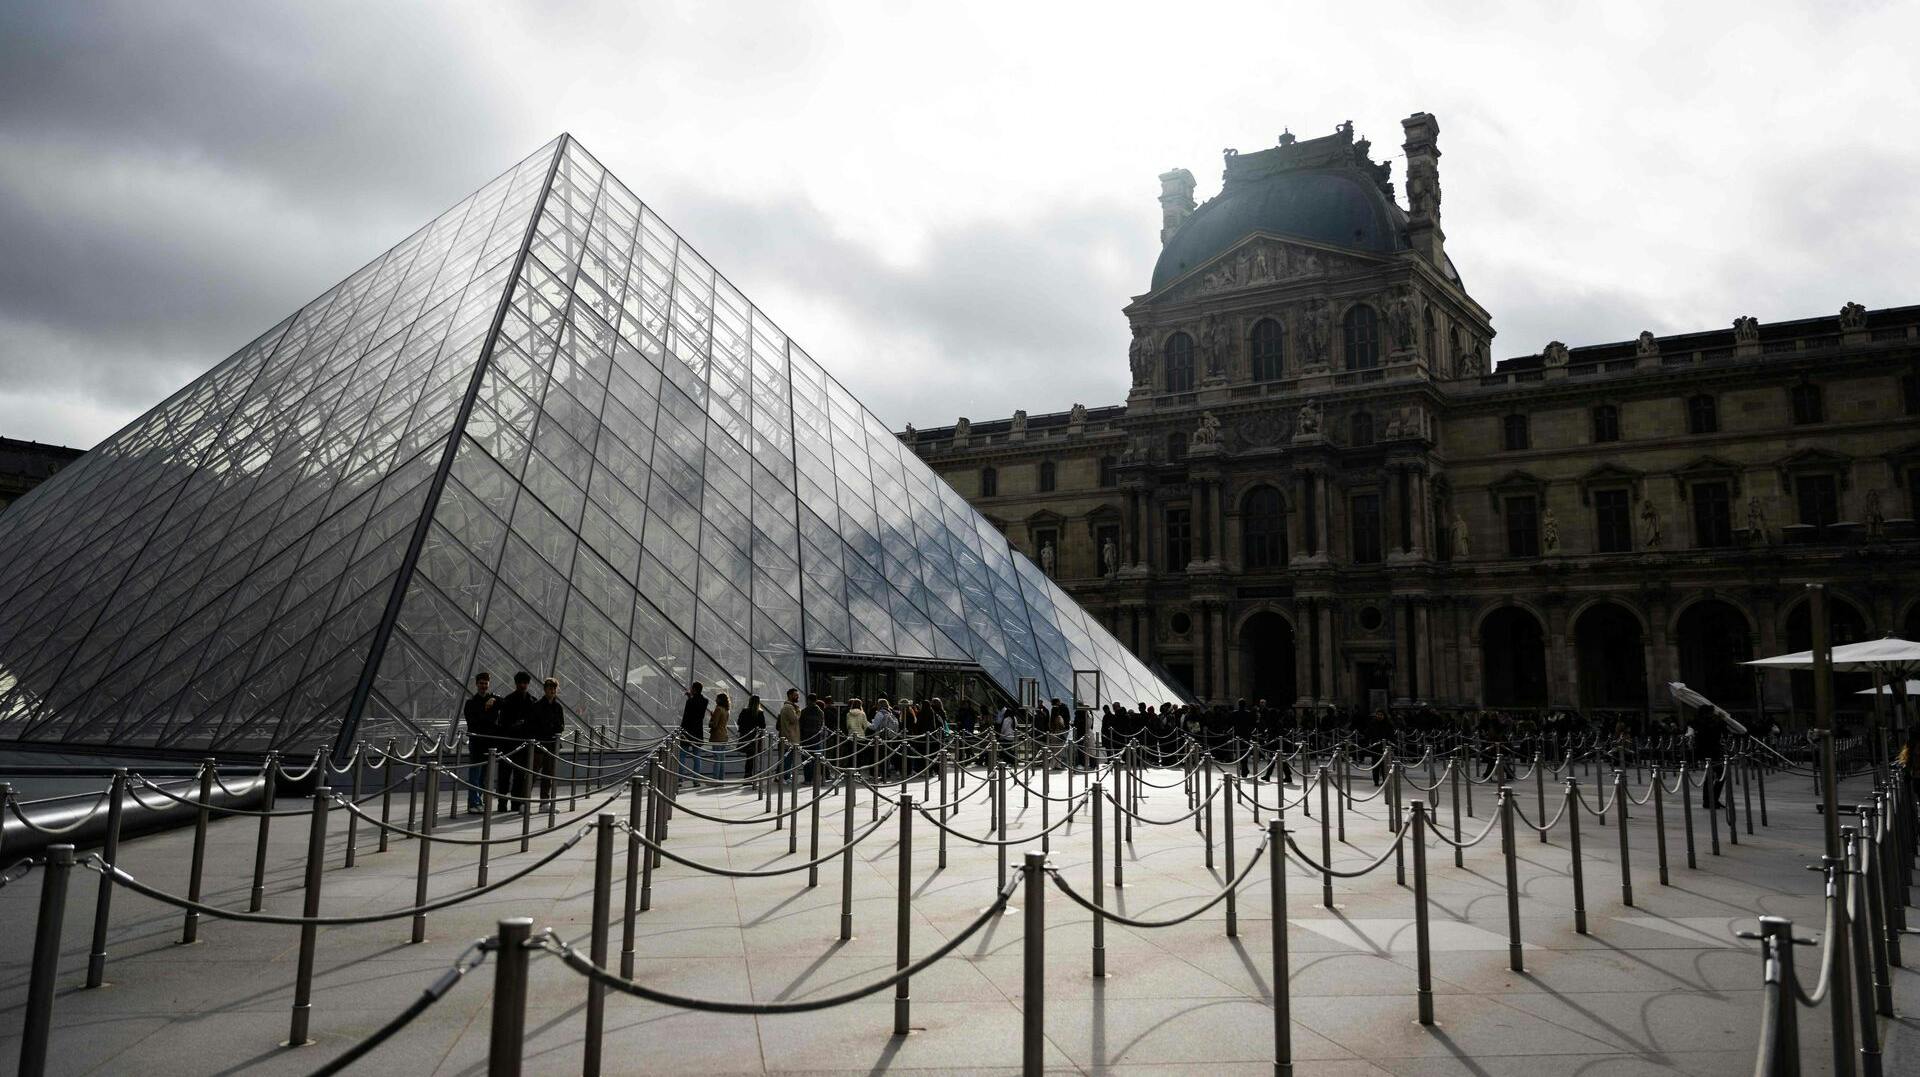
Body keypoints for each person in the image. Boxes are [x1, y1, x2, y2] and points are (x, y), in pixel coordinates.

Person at [494, 672, 537, 810]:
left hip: (515, 743)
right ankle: (505, 802)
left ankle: (512, 803)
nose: (523, 685)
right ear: (516, 683)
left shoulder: (512, 700)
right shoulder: (530, 701)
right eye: (521, 683)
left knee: (517, 776)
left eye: (525, 683)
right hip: (512, 743)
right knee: (505, 775)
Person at [462, 672, 499, 813]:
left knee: (484, 775)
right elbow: (474, 722)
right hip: (477, 742)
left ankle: (478, 801)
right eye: (481, 683)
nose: (484, 686)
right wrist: (486, 711)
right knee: (475, 774)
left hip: (488, 743)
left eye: (486, 683)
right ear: (476, 684)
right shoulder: (471, 703)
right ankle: (473, 802)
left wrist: (494, 699)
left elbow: (504, 702)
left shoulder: (492, 699)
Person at [530, 676, 565, 809]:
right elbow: (534, 725)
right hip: (540, 744)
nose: (552, 690)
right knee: (533, 773)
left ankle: (545, 801)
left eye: (554, 688)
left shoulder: (558, 707)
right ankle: (525, 800)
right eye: (549, 688)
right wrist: (551, 727)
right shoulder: (537, 706)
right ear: (545, 689)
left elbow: (561, 726)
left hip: (551, 744)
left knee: (548, 774)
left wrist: (550, 726)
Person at [1688, 703, 1726, 810]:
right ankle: (1711, 800)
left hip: (1708, 752)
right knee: (1719, 775)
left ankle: (1710, 800)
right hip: (1710, 753)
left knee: (1712, 776)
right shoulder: (1703, 723)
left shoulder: (1699, 722)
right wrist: (1721, 720)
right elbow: (1713, 732)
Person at [679, 681, 708, 783]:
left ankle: (680, 779)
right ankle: (696, 780)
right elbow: (698, 711)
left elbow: (686, 716)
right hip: (698, 731)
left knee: (682, 755)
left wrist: (681, 730)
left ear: (694, 689)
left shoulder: (690, 701)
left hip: (687, 730)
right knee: (697, 756)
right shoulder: (705, 701)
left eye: (692, 688)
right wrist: (690, 697)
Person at [736, 694, 768, 777]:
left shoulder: (744, 711)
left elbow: (739, 722)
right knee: (752, 757)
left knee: (749, 757)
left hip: (746, 737)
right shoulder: (760, 713)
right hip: (755, 738)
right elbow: (763, 726)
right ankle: (751, 775)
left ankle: (748, 775)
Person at [798, 695, 827, 783]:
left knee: (806, 759)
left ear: (809, 700)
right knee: (816, 760)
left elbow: (800, 726)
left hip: (806, 738)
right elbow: (821, 725)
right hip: (817, 739)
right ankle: (816, 778)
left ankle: (808, 779)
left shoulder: (804, 711)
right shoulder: (820, 712)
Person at [777, 688, 802, 778]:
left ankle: (782, 776)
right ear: (790, 695)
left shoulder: (788, 707)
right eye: (796, 695)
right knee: (788, 759)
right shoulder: (789, 707)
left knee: (787, 758)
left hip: (788, 736)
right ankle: (786, 777)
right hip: (789, 736)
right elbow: (794, 719)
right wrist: (799, 711)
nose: (798, 696)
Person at [708, 691, 731, 780]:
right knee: (721, 759)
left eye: (717, 698)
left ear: (720, 700)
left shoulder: (718, 709)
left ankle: (715, 779)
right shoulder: (726, 710)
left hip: (717, 736)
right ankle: (721, 778)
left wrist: (711, 719)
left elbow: (714, 724)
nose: (715, 699)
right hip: (724, 735)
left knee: (717, 759)